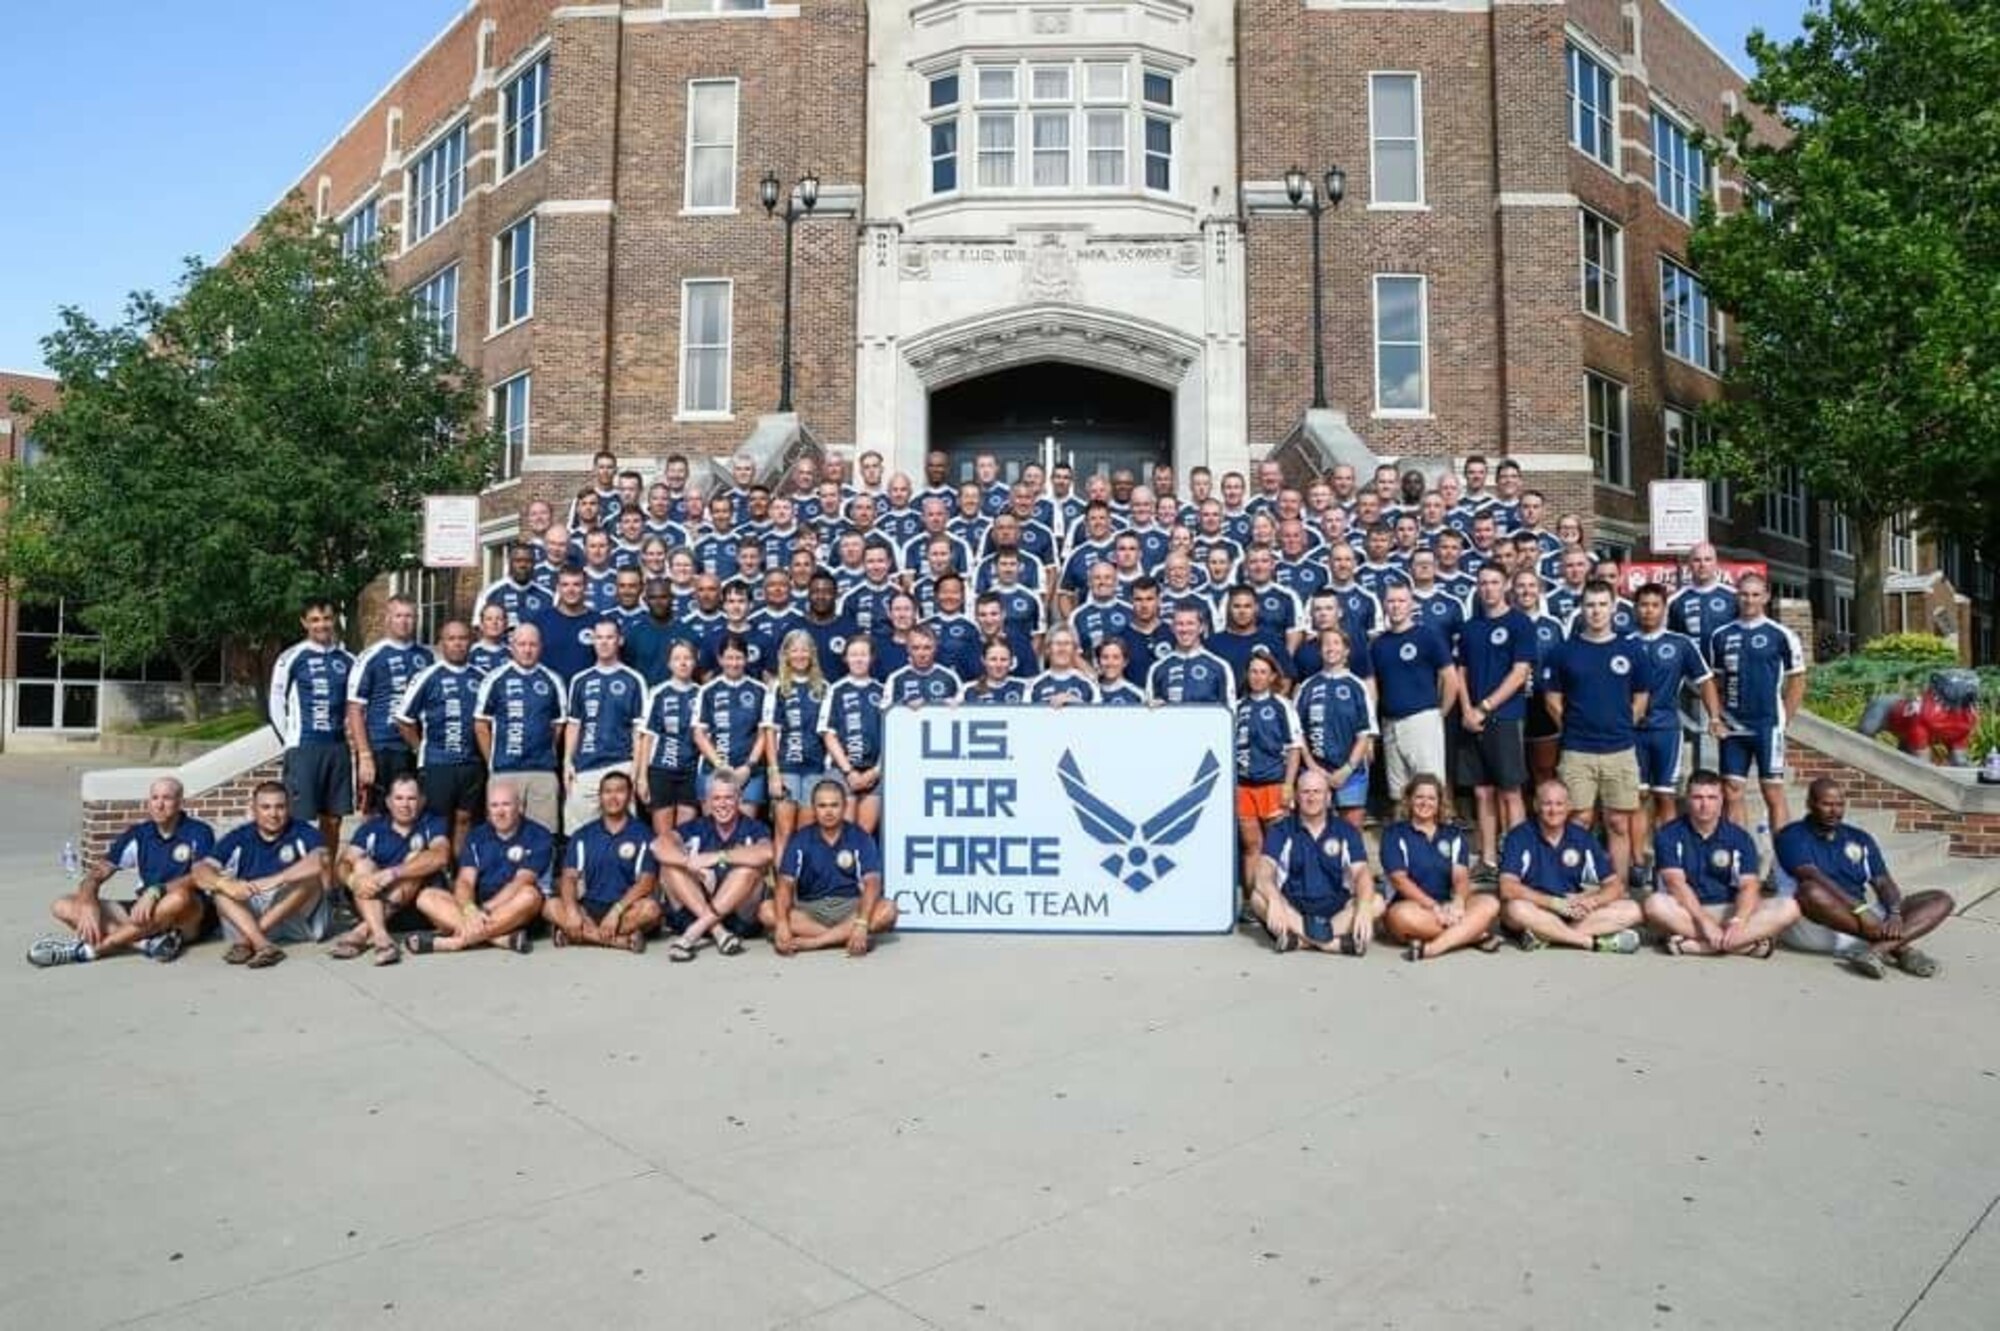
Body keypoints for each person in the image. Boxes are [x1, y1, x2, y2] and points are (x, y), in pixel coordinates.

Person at [1777, 778, 1953, 979]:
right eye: (1826, 804)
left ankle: (1875, 951)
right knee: (1811, 891)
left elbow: (1882, 881)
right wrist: (1859, 909)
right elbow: (1812, 876)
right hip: (1822, 918)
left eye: (1839, 805)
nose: (1834, 811)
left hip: (1866, 917)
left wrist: (1894, 913)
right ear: (1810, 804)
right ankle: (1902, 950)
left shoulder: (1859, 837)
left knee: (1941, 899)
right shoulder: (1792, 835)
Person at [28, 777, 210, 968]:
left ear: (180, 801)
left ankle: (94, 949)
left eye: (167, 798)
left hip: (185, 915)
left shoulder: (199, 832)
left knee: (179, 897)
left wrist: (157, 890)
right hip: (144, 911)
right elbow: (99, 872)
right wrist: (88, 901)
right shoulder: (139, 833)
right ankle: (143, 943)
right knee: (63, 905)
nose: (159, 805)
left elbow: (201, 877)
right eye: (154, 798)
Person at [1545, 582, 1648, 882]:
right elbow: (1552, 697)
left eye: (1603, 605)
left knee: (1618, 822)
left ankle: (1617, 888)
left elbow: (1641, 695)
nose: (1596, 611)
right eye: (1590, 605)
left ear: (1614, 608)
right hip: (1577, 750)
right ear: (1582, 608)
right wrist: (1573, 726)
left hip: (1620, 749)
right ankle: (1570, 884)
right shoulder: (1564, 651)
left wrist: (1624, 723)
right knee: (1578, 820)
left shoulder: (1631, 649)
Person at [1629, 583, 1724, 887]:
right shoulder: (1624, 642)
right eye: (1643, 604)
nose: (1648, 610)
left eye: (1654, 605)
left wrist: (1715, 717)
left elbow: (1706, 680)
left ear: (1664, 608)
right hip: (1630, 732)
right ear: (1636, 608)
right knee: (1637, 797)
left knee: (1665, 796)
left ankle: (1666, 859)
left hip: (1666, 729)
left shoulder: (1681, 644)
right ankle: (1637, 861)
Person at [1645, 770, 1799, 957]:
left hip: (1728, 909)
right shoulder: (1669, 834)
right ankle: (1745, 946)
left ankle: (1698, 946)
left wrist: (1738, 921)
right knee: (1654, 905)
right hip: (1688, 912)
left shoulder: (1739, 837)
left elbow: (1749, 886)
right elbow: (1675, 884)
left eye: (1711, 797)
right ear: (1687, 800)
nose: (1705, 804)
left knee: (1790, 907)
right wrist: (1705, 922)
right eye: (1698, 797)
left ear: (1721, 800)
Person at [191, 782, 332, 969]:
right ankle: (263, 944)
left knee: (310, 879)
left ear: (289, 808)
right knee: (219, 890)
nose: (273, 814)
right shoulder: (239, 836)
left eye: (280, 807)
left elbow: (321, 861)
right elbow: (200, 871)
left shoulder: (303, 831)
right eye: (265, 807)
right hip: (248, 911)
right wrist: (223, 883)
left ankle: (249, 940)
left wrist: (274, 880)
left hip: (294, 917)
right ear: (254, 809)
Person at [1706, 574, 1806, 836]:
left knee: (1772, 791)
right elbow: (1714, 682)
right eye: (1744, 594)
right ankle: (1741, 860)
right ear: (1736, 595)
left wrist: (1785, 720)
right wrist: (1716, 717)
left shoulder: (1781, 635)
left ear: (1765, 597)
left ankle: (1783, 866)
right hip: (1733, 726)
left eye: (1755, 595)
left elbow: (1798, 680)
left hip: (1767, 725)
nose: (1749, 600)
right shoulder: (1721, 635)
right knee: (1732, 790)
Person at [1497, 780, 1643, 953]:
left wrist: (1592, 901)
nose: (1553, 810)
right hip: (1537, 908)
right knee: (1515, 909)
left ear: (1569, 806)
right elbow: (1507, 887)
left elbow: (1615, 885)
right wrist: (1553, 903)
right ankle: (1591, 942)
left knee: (1633, 910)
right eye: (1547, 804)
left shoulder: (1582, 837)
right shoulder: (1519, 836)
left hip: (1573, 910)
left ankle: (1546, 935)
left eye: (1559, 804)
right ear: (1536, 805)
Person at [268, 598, 355, 889]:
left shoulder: (347, 660)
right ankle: (296, 883)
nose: (322, 625)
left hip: (337, 748)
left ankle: (326, 884)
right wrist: (289, 743)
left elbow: (355, 705)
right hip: (304, 747)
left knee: (333, 821)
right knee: (300, 821)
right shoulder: (292, 657)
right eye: (315, 620)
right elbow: (275, 703)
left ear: (335, 620)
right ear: (305, 623)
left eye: (327, 619)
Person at [406, 781, 550, 955]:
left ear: (519, 807)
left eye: (506, 804)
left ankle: (455, 943)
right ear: (488, 809)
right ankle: (498, 938)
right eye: (494, 805)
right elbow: (465, 880)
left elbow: (521, 882)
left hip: (513, 908)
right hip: (479, 909)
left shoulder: (539, 835)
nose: (500, 811)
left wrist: (485, 909)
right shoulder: (477, 835)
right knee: (426, 896)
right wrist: (470, 909)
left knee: (530, 895)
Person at [1455, 565, 1535, 874]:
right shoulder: (1470, 627)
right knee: (1482, 791)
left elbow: (1520, 673)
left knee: (1510, 790)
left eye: (1494, 583)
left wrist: (1484, 707)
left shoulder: (1519, 623)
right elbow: (1460, 671)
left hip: (1504, 717)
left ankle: (1517, 861)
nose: (1488, 588)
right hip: (1472, 719)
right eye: (1483, 583)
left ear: (1506, 586)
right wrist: (1465, 710)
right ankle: (1488, 859)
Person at [761, 778, 899, 956]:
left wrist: (862, 922)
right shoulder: (800, 839)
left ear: (844, 808)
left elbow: (872, 883)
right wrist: (781, 924)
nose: (828, 811)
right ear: (814, 808)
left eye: (834, 805)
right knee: (766, 911)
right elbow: (785, 884)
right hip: (810, 909)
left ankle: (818, 942)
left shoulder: (860, 837)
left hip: (850, 907)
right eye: (822, 806)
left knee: (888, 910)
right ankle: (846, 938)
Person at [1248, 768, 1380, 955]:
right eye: (1305, 792)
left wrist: (1364, 907)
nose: (1311, 798)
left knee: (1376, 902)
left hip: (1336, 910)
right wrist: (1275, 900)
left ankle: (1300, 941)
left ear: (1328, 797)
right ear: (1296, 796)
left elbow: (1361, 872)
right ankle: (1333, 944)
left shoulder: (1346, 831)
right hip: (1295, 909)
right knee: (1258, 898)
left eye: (1317, 792)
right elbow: (1264, 870)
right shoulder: (1281, 830)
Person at [326, 773, 450, 965]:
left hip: (414, 910)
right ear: (389, 802)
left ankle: (362, 931)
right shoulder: (372, 828)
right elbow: (342, 864)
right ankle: (382, 938)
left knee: (416, 858)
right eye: (399, 798)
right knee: (361, 864)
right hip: (370, 904)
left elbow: (440, 856)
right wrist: (353, 880)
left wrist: (392, 873)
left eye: (411, 799)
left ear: (422, 801)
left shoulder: (432, 823)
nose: (405, 805)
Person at [1381, 774, 1503, 960]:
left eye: (1431, 798)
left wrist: (1459, 902)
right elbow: (1400, 880)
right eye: (1419, 797)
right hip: (1412, 907)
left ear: (1439, 803)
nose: (1425, 803)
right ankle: (1474, 935)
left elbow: (1460, 877)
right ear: (1409, 799)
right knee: (1400, 916)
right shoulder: (1394, 834)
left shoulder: (1453, 834)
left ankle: (1434, 947)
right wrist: (1434, 907)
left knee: (1490, 903)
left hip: (1448, 907)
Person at [655, 771, 775, 960]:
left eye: (728, 797)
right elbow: (658, 845)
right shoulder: (697, 826)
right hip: (693, 913)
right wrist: (689, 863)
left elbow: (767, 853)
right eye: (717, 798)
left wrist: (718, 857)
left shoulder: (754, 827)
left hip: (739, 919)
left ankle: (692, 935)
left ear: (739, 799)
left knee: (749, 869)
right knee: (669, 866)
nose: (722, 804)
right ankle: (718, 932)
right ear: (708, 801)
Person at [543, 771, 662, 953]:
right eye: (607, 792)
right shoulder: (583, 835)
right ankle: (619, 942)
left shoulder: (644, 834)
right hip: (589, 909)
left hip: (625, 910)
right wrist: (573, 910)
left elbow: (646, 882)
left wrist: (616, 911)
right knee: (550, 906)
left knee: (651, 910)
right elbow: (569, 878)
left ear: (630, 796)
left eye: (619, 791)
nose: (612, 797)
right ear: (600, 797)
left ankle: (579, 935)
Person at [395, 620, 486, 854]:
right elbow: (403, 719)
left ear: (471, 642)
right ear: (441, 644)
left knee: (465, 818)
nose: (457, 644)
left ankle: (457, 874)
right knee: (437, 822)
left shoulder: (483, 678)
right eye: (451, 639)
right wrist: (419, 747)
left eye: (463, 639)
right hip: (438, 763)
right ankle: (436, 875)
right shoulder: (427, 676)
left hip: (472, 763)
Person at [472, 622, 569, 835]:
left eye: (532, 644)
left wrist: (544, 748)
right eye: (522, 644)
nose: (527, 649)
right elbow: (480, 724)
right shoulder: (495, 679)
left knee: (544, 835)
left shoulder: (553, 679)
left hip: (541, 771)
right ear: (512, 646)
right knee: (501, 834)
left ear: (540, 647)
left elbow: (558, 724)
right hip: (505, 770)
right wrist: (492, 761)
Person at [1369, 583, 1457, 802]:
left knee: (1429, 789)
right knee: (1399, 792)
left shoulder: (1427, 636)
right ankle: (1404, 835)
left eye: (1401, 601)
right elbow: (1375, 689)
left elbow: (1450, 679)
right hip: (1390, 723)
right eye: (1391, 601)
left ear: (1411, 604)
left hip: (1421, 721)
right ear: (1384, 606)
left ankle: (1435, 834)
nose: (1396, 606)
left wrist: (1440, 713)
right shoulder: (1379, 644)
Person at [347, 596, 434, 816]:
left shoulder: (426, 657)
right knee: (377, 812)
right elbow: (355, 709)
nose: (404, 621)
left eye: (409, 616)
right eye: (399, 616)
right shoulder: (371, 657)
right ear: (387, 619)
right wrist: (365, 755)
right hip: (382, 747)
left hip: (414, 747)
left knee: (413, 811)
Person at [563, 619, 648, 831]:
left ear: (620, 641)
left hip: (621, 764)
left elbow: (640, 731)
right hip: (586, 767)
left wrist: (636, 772)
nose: (604, 642)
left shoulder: (634, 679)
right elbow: (574, 725)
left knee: (623, 832)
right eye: (599, 637)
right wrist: (567, 762)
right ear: (592, 641)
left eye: (609, 637)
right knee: (578, 832)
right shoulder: (580, 680)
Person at [1234, 646, 1303, 892]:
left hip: (1274, 784)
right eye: (1253, 671)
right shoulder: (1237, 707)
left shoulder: (1282, 705)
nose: (1257, 677)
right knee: (1252, 846)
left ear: (1273, 676)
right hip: (1243, 787)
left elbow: (1295, 748)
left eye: (1263, 672)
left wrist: (1288, 785)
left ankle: (1281, 895)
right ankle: (1254, 900)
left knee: (1277, 846)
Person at [763, 629, 831, 857]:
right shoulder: (778, 687)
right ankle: (783, 889)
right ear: (786, 654)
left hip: (815, 768)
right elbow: (770, 732)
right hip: (787, 768)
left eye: (804, 650)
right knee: (784, 832)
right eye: (795, 650)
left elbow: (828, 733)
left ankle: (804, 888)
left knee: (807, 832)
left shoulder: (824, 688)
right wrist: (773, 772)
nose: (800, 655)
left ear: (812, 653)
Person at [637, 639, 703, 835]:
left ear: (695, 661)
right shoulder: (658, 693)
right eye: (677, 658)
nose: (682, 663)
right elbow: (646, 737)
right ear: (669, 663)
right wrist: (641, 778)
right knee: (664, 837)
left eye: (687, 658)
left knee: (684, 836)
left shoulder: (702, 694)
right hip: (661, 771)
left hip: (691, 772)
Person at [822, 637, 887, 833]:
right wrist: (849, 771)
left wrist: (876, 771)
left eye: (863, 655)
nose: (859, 660)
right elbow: (828, 734)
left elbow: (891, 736)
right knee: (842, 831)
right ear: (846, 659)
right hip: (842, 771)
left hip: (874, 773)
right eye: (854, 655)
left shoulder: (883, 691)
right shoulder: (835, 689)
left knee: (864, 833)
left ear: (871, 658)